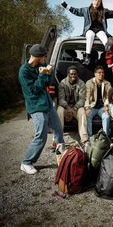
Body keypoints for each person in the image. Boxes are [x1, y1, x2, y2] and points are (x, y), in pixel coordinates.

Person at [18, 44, 65, 174]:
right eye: (43, 56)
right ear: (37, 57)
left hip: (48, 105)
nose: (45, 58)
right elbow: (34, 90)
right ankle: (26, 162)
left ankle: (62, 158)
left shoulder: (40, 65)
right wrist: (43, 74)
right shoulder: (24, 72)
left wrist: (49, 73)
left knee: (58, 130)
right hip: (36, 107)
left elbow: (48, 83)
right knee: (41, 135)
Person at [61, 0, 113, 65]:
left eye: (98, 1)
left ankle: (108, 51)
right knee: (90, 36)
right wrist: (65, 5)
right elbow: (76, 11)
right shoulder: (85, 10)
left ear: (100, 3)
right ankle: (87, 57)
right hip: (89, 29)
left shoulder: (104, 11)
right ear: (92, 1)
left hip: (100, 30)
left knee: (104, 37)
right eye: (95, 0)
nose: (97, 2)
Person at [57, 66, 88, 148]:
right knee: (59, 110)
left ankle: (84, 140)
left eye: (75, 74)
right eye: (71, 74)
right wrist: (68, 109)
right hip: (66, 107)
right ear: (68, 74)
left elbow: (82, 100)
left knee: (82, 112)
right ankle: (58, 140)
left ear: (77, 75)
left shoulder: (81, 83)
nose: (73, 75)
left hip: (76, 108)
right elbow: (61, 99)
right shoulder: (62, 83)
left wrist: (73, 110)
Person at [84, 66, 111, 138]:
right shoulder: (89, 83)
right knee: (87, 116)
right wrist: (87, 108)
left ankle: (105, 137)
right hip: (92, 106)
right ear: (95, 74)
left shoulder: (107, 84)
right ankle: (89, 137)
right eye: (99, 73)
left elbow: (109, 97)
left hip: (102, 107)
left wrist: (107, 106)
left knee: (107, 116)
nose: (101, 74)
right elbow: (86, 97)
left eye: (102, 73)